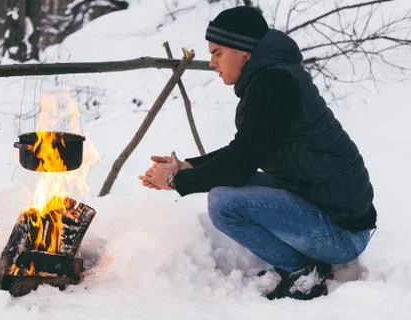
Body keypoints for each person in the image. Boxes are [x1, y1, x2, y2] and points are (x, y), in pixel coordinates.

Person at [139, 6, 376, 300]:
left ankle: (304, 274)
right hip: (330, 211)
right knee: (229, 187)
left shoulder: (273, 84)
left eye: (217, 53)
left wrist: (176, 182)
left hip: (342, 234)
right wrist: (188, 166)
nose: (212, 63)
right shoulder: (274, 77)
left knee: (223, 202)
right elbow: (245, 149)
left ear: (244, 51)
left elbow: (240, 163)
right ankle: (304, 265)